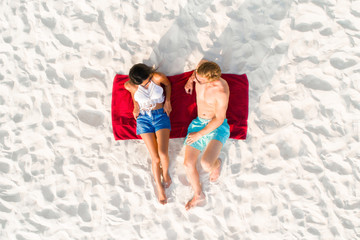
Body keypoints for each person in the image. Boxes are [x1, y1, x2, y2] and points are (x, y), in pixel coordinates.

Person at [183, 59, 230, 210]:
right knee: (188, 164)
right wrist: (191, 81)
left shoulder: (220, 90)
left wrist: (199, 135)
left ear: (211, 80)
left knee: (207, 164)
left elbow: (219, 118)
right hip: (199, 122)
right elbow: (201, 65)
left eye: (199, 80)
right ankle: (198, 195)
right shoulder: (201, 70)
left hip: (216, 126)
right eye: (196, 75)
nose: (197, 79)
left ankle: (217, 164)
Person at [124, 63, 172, 205]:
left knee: (163, 153)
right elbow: (132, 92)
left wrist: (168, 101)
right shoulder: (132, 85)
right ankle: (159, 187)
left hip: (160, 115)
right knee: (155, 158)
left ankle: (165, 173)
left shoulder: (157, 78)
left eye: (143, 82)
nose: (142, 85)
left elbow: (168, 85)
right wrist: (135, 105)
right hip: (144, 119)